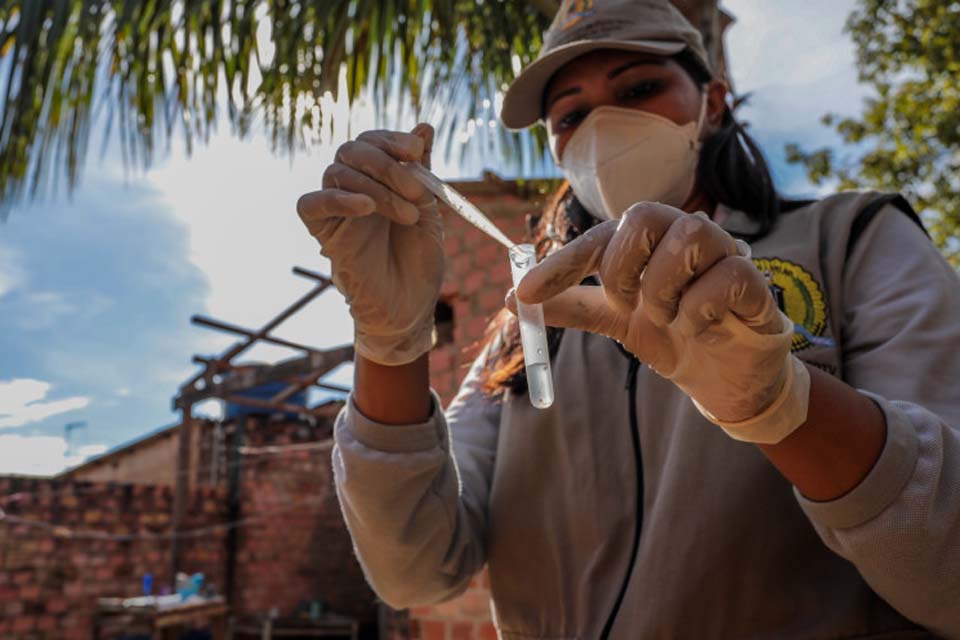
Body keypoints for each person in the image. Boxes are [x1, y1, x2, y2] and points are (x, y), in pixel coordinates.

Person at [295, 0, 960, 637]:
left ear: (713, 103)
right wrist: (389, 344)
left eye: (639, 89)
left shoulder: (852, 239)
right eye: (570, 115)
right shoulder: (530, 328)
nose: (602, 126)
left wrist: (783, 407)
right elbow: (415, 570)